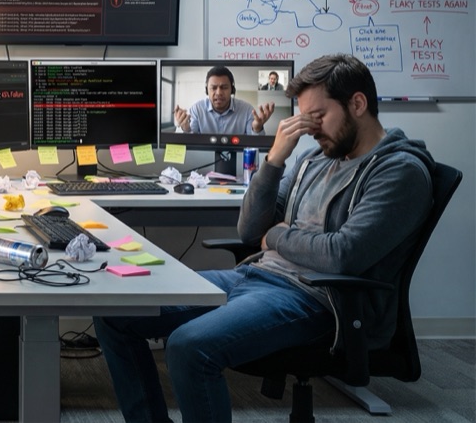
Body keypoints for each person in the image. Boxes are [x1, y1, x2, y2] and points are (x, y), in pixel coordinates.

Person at [94, 54, 435, 422]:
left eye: (317, 116)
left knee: (188, 347)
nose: (310, 128)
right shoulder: (315, 158)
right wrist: (274, 161)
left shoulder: (400, 171)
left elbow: (343, 255)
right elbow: (250, 231)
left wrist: (277, 237)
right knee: (116, 312)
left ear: (357, 103)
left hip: (317, 298)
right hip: (255, 277)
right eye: (304, 118)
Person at [173, 65, 275, 135]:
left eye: (224, 87)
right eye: (213, 88)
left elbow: (255, 147)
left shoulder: (247, 110)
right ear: (207, 90)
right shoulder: (197, 109)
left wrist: (257, 128)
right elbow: (190, 146)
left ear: (232, 89)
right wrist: (184, 128)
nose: (218, 93)